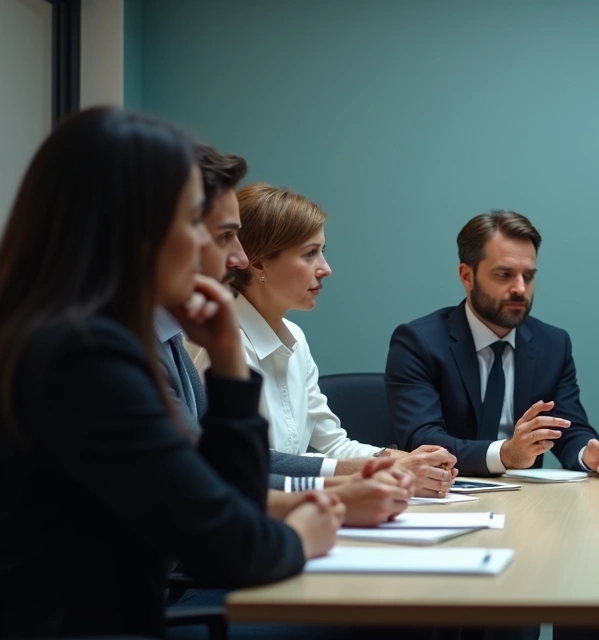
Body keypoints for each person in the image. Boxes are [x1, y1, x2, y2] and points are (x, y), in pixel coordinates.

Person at [0, 107, 342, 638]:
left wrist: (228, 361)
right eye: (193, 224)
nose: (223, 255)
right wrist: (302, 535)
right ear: (131, 228)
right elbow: (228, 546)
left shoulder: (103, 337)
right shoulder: (83, 356)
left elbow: (229, 499)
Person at [195, 183, 458, 497]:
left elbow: (332, 443)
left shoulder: (296, 337)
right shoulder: (215, 344)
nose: (326, 269)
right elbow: (247, 463)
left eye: (322, 252)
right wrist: (383, 468)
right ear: (260, 262)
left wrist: (394, 459)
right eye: (309, 254)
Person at [386, 210, 599, 478]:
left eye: (528, 276)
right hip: (447, 493)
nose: (520, 289)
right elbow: (423, 440)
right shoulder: (419, 342)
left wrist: (592, 454)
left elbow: (568, 430)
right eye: (504, 274)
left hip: (527, 502)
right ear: (467, 276)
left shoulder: (553, 344)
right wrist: (505, 454)